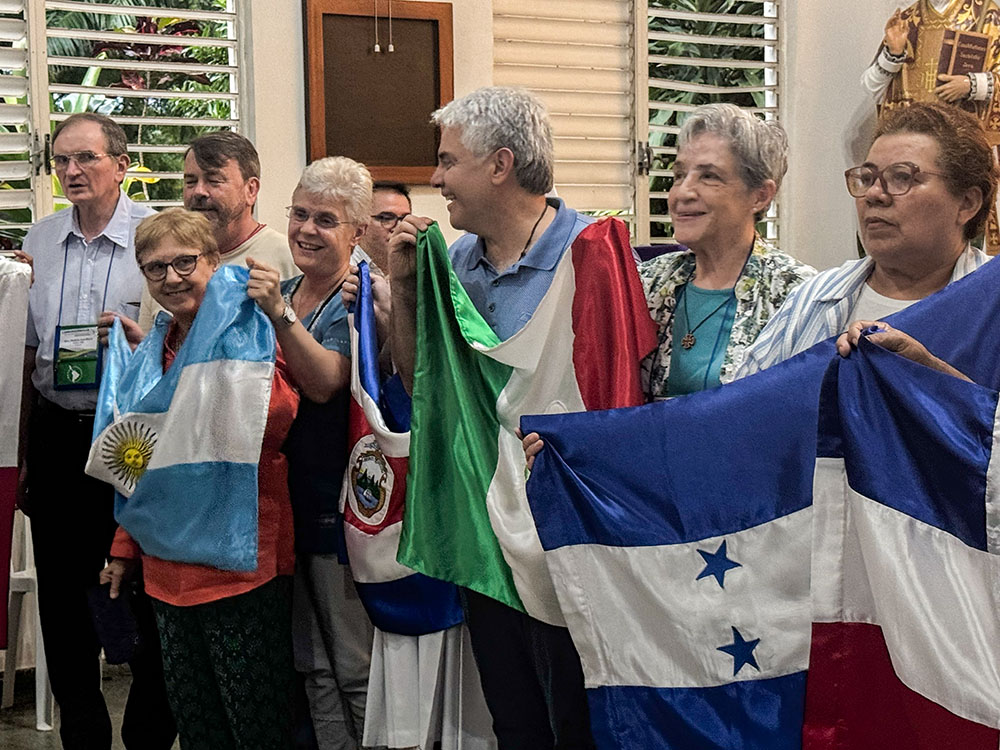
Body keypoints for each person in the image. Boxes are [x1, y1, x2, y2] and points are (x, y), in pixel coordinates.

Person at [385, 86, 620, 750]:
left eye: (447, 161)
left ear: (500, 165)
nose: (436, 180)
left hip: (566, 536)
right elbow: (423, 384)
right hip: (485, 527)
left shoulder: (592, 254)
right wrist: (404, 285)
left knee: (578, 722)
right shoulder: (456, 263)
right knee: (514, 721)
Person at [100, 208, 299, 749]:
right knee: (198, 727)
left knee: (255, 727)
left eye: (185, 262)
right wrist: (123, 548)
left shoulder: (250, 327)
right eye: (156, 268)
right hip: (167, 569)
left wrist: (211, 380)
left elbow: (277, 420)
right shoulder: (153, 351)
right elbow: (141, 461)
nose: (172, 278)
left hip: (240, 562)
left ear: (213, 260)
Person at [19, 112, 176, 750]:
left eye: (86, 157)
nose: (71, 170)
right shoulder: (40, 239)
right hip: (58, 434)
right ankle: (83, 735)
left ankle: (147, 735)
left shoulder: (159, 237)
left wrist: (139, 344)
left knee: (141, 591)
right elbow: (27, 356)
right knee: (63, 601)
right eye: (61, 159)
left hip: (135, 436)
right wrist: (22, 455)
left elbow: (187, 340)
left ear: (121, 163)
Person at [245, 156, 374, 749]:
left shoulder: (358, 295)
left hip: (336, 502)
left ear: (358, 231)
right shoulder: (291, 289)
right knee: (313, 665)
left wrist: (277, 314)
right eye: (299, 214)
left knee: (353, 664)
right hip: (281, 501)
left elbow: (325, 382)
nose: (306, 230)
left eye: (326, 219)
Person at [739, 102, 997, 375]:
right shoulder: (810, 300)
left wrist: (932, 378)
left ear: (967, 203)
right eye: (867, 178)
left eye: (902, 177)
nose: (873, 194)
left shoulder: (991, 302)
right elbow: (744, 397)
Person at [636, 103, 815, 398]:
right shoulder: (645, 283)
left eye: (709, 176)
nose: (682, 192)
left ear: (760, 196)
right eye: (679, 175)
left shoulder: (797, 295)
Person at [136, 130, 299, 331]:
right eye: (190, 182)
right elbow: (148, 340)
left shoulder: (288, 258)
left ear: (251, 190)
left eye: (214, 181)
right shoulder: (165, 262)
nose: (199, 192)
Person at [359, 181, 412, 273]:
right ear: (360, 223)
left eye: (404, 219)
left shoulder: (415, 267)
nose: (399, 227)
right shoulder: (342, 268)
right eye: (387, 218)